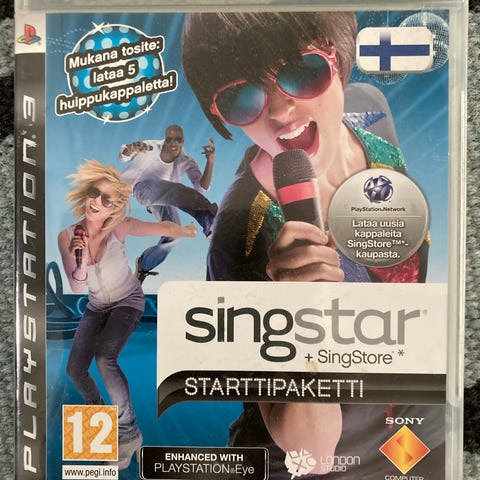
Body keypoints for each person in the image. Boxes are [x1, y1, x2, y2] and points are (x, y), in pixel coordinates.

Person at [182, 12, 438, 479]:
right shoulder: (241, 234)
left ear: (339, 60)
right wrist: (300, 317)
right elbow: (313, 455)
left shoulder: (369, 111)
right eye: (242, 98)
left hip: (408, 430)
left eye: (302, 71)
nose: (279, 112)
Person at [58, 159, 196, 469]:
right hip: (96, 305)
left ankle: (129, 432)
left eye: (108, 199)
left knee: (105, 358)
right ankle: (99, 419)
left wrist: (186, 231)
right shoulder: (67, 237)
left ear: (115, 206)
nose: (98, 202)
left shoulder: (118, 227)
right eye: (95, 193)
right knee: (75, 369)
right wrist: (80, 257)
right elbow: (77, 286)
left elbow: (162, 228)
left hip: (128, 301)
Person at [119, 124, 218, 282]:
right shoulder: (151, 146)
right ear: (165, 139)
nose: (172, 144)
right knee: (178, 191)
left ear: (183, 141)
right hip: (142, 188)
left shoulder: (186, 160)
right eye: (169, 140)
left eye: (177, 140)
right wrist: (131, 148)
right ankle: (211, 225)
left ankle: (144, 265)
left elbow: (201, 188)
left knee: (175, 234)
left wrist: (210, 161)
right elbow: (123, 156)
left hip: (164, 198)